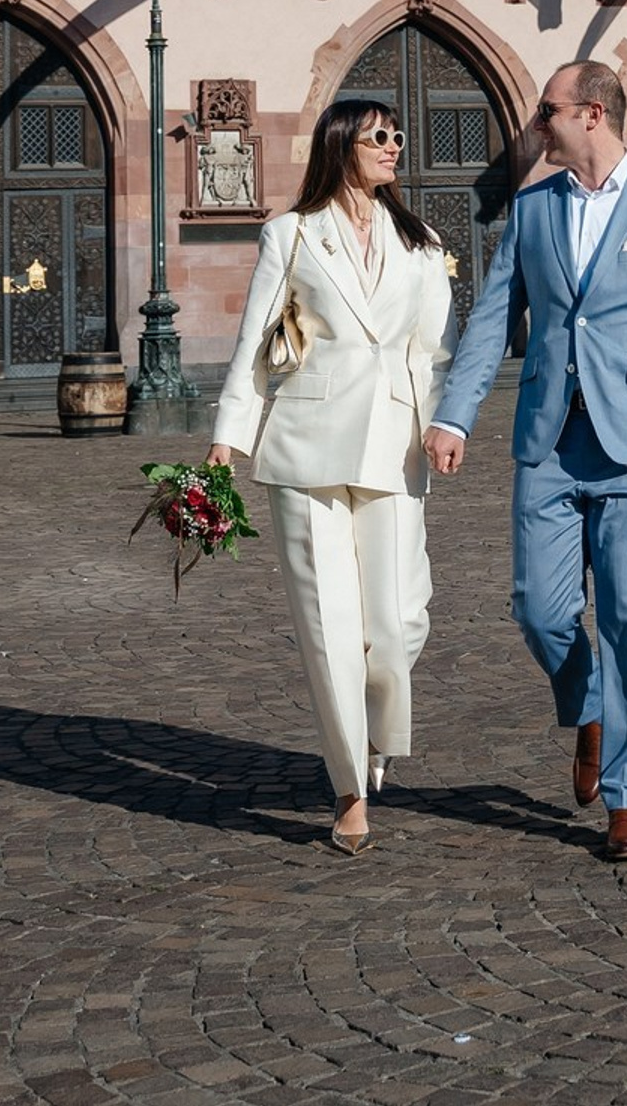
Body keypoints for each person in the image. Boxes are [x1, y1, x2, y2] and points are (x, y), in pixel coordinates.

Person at [425, 59, 627, 862]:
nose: (536, 125)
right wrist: (455, 415)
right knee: (538, 607)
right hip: (548, 440)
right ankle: (588, 704)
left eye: (547, 112)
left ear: (591, 115)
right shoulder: (532, 210)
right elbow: (492, 322)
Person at [207, 98, 454, 854]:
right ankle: (349, 786)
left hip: (395, 445)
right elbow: (257, 337)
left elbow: (435, 347)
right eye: (380, 134)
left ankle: (375, 736)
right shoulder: (290, 232)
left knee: (399, 619)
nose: (394, 144)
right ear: (342, 143)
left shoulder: (423, 241)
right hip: (307, 444)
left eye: (398, 133)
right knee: (329, 627)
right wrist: (228, 437)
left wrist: (445, 422)